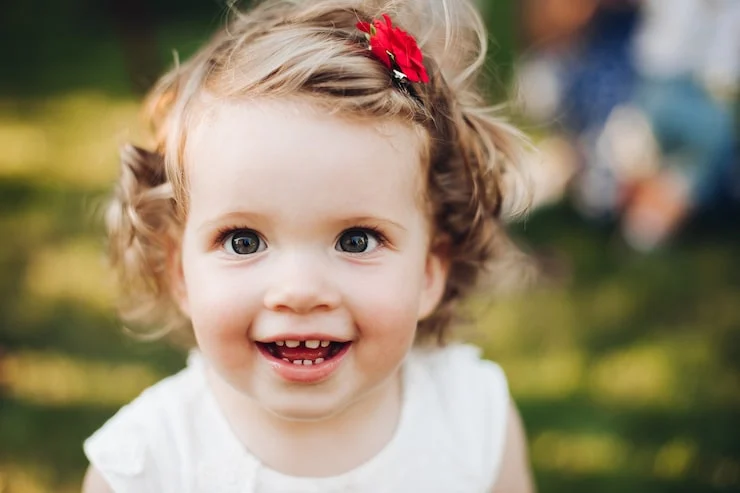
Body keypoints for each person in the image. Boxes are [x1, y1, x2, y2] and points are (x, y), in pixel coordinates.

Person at [82, 0, 535, 491]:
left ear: (429, 271)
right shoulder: (146, 464)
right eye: (243, 241)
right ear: (180, 273)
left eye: (356, 240)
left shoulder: (473, 419)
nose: (299, 291)